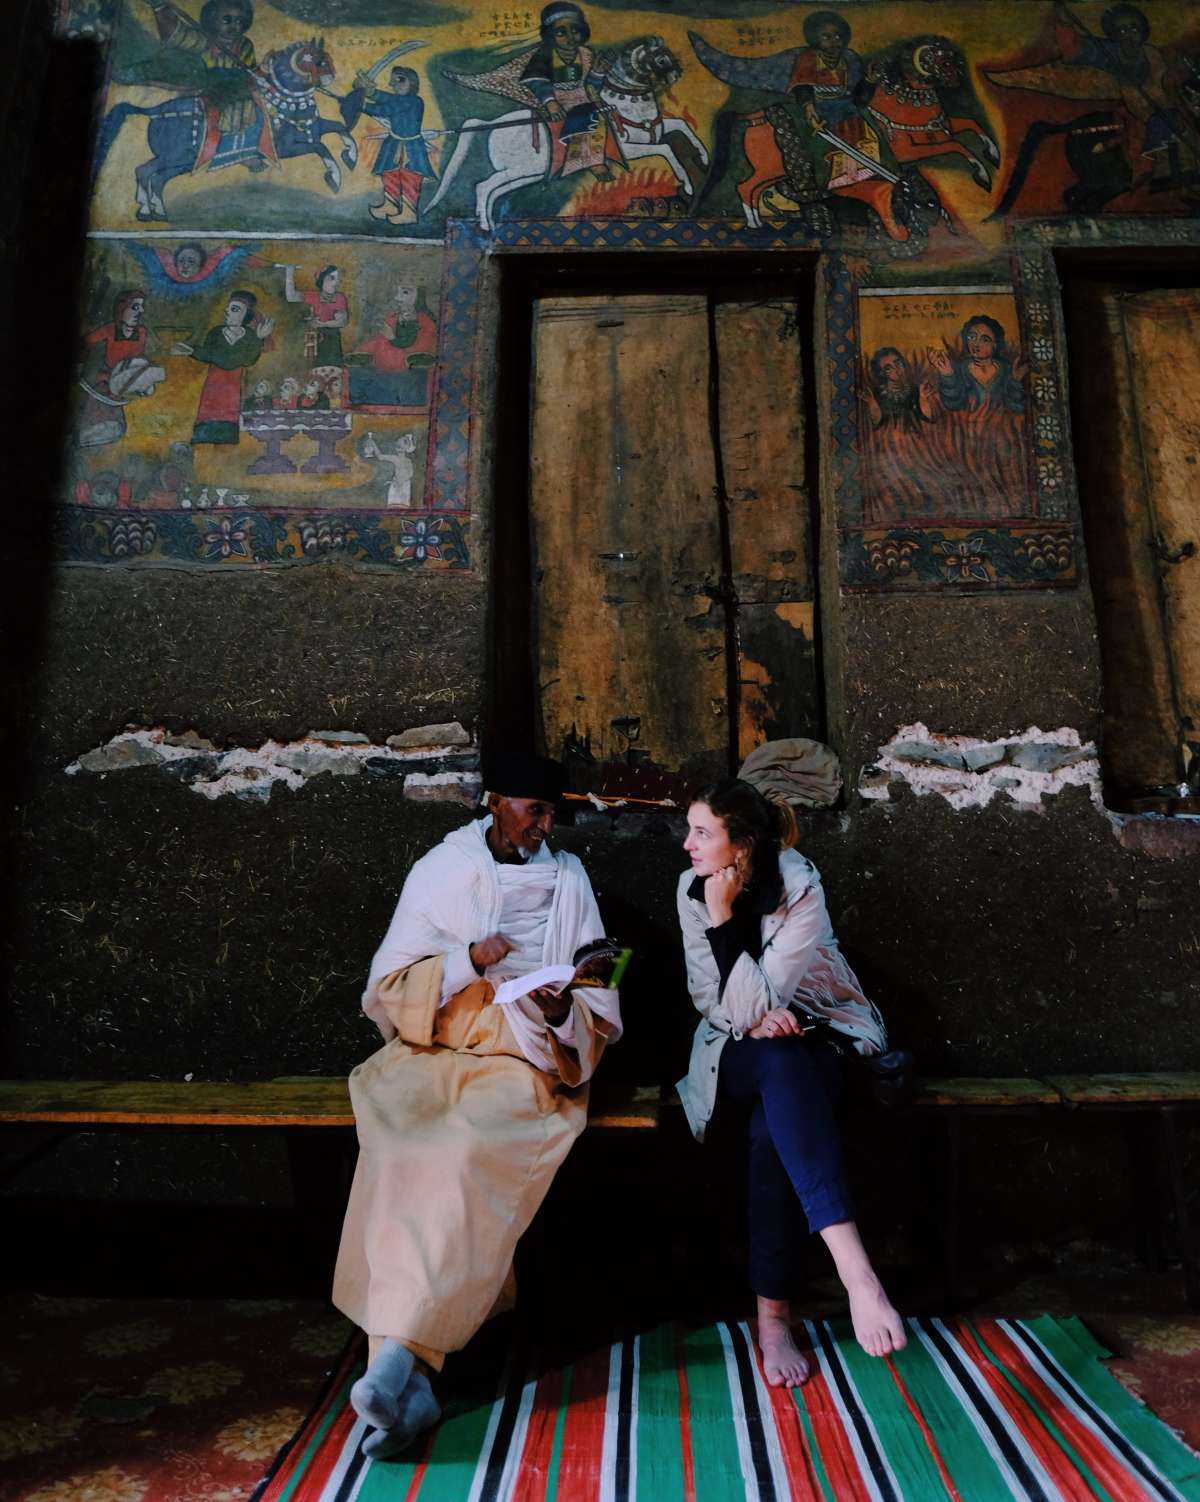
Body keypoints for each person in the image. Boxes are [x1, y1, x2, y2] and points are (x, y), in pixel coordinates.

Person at [332, 752, 623, 1456]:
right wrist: (468, 961)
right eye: (534, 810)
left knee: (464, 1151)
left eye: (552, 814)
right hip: (433, 1051)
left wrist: (559, 1013)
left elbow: (601, 991)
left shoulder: (571, 879)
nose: (544, 826)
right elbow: (388, 986)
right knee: (405, 1147)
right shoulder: (443, 870)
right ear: (495, 802)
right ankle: (409, 1373)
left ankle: (396, 1364)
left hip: (520, 1057)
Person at [677, 778, 905, 1386]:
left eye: (703, 833)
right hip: (733, 1051)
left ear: (743, 846)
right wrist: (722, 918)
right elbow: (714, 1000)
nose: (688, 846)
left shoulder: (801, 885)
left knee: (774, 1121)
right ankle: (857, 1272)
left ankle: (772, 1319)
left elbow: (775, 998)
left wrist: (764, 1007)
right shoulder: (693, 890)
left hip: (817, 1038)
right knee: (774, 1064)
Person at [173, 290, 274, 444]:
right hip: (213, 387)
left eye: (234, 309)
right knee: (205, 427)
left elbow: (246, 360)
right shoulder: (216, 333)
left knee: (228, 428)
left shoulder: (249, 336)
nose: (227, 312)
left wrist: (258, 339)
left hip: (233, 389)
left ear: (246, 314)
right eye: (228, 308)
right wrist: (193, 351)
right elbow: (211, 354)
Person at [344, 64, 438, 225]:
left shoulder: (414, 101)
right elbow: (384, 98)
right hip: (393, 144)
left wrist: (361, 104)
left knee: (410, 178)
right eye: (393, 81)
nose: (393, 84)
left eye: (400, 80)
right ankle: (391, 205)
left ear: (412, 82)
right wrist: (369, 91)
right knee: (389, 174)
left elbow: (387, 108)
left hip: (411, 148)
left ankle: (409, 212)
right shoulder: (398, 98)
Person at [281, 264, 348, 367]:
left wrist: (322, 324)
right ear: (321, 281)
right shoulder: (313, 296)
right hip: (313, 339)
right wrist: (289, 273)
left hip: (331, 340)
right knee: (313, 369)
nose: (335, 282)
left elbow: (342, 321)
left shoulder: (339, 298)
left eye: (337, 279)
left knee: (332, 369)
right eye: (331, 278)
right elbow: (291, 297)